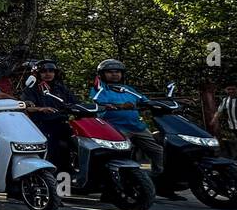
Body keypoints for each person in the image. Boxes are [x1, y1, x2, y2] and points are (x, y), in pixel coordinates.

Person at [90, 59, 173, 197]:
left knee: (157, 150)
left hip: (137, 127)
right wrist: (119, 106)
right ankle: (113, 188)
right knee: (119, 155)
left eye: (117, 72)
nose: (114, 74)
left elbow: (146, 101)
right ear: (102, 74)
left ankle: (153, 179)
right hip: (115, 128)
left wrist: (172, 102)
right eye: (110, 72)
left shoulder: (129, 89)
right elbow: (96, 105)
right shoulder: (99, 90)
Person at [21, 59, 79, 173]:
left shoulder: (61, 88)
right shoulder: (32, 89)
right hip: (42, 125)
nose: (48, 74)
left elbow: (75, 103)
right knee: (55, 146)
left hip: (63, 124)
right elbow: (25, 106)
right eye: (44, 71)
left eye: (51, 71)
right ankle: (53, 173)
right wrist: (41, 109)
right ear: (38, 74)